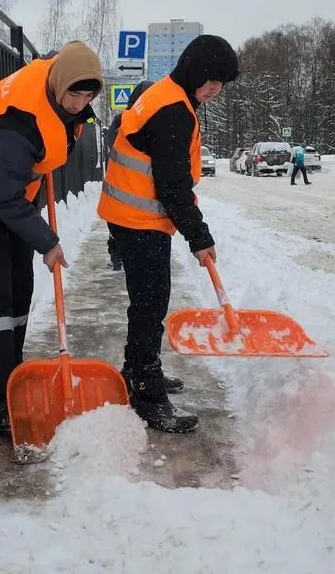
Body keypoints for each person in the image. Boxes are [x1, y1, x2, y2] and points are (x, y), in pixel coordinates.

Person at [0, 40, 103, 436]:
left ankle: (13, 367)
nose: (78, 103)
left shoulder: (60, 84)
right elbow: (0, 197)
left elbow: (60, 57)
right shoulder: (21, 120)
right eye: (74, 94)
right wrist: (48, 241)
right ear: (59, 85)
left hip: (12, 184)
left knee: (21, 280)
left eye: (87, 96)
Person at [97, 34, 239, 433]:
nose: (217, 90)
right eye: (213, 81)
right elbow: (172, 187)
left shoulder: (169, 95)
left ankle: (138, 370)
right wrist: (199, 236)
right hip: (137, 220)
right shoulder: (171, 108)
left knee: (148, 302)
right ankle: (146, 390)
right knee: (150, 304)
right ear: (196, 72)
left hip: (132, 216)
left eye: (222, 84)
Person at [104, 80, 154, 272]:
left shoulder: (121, 121)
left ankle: (119, 257)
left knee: (120, 228)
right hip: (125, 187)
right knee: (120, 228)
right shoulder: (123, 121)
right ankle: (118, 258)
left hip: (125, 189)